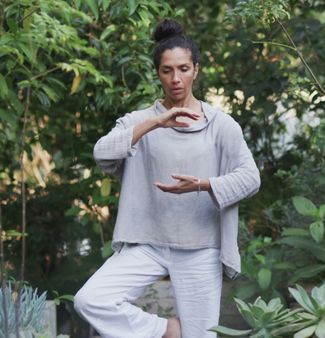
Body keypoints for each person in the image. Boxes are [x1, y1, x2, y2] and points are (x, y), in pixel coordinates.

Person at [74, 19, 260, 338]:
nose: (176, 79)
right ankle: (167, 331)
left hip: (201, 247)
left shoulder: (221, 125)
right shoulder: (140, 121)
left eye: (184, 69)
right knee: (91, 300)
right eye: (167, 70)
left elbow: (250, 178)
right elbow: (102, 153)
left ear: (196, 70)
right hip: (148, 243)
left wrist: (203, 185)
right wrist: (156, 122)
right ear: (158, 73)